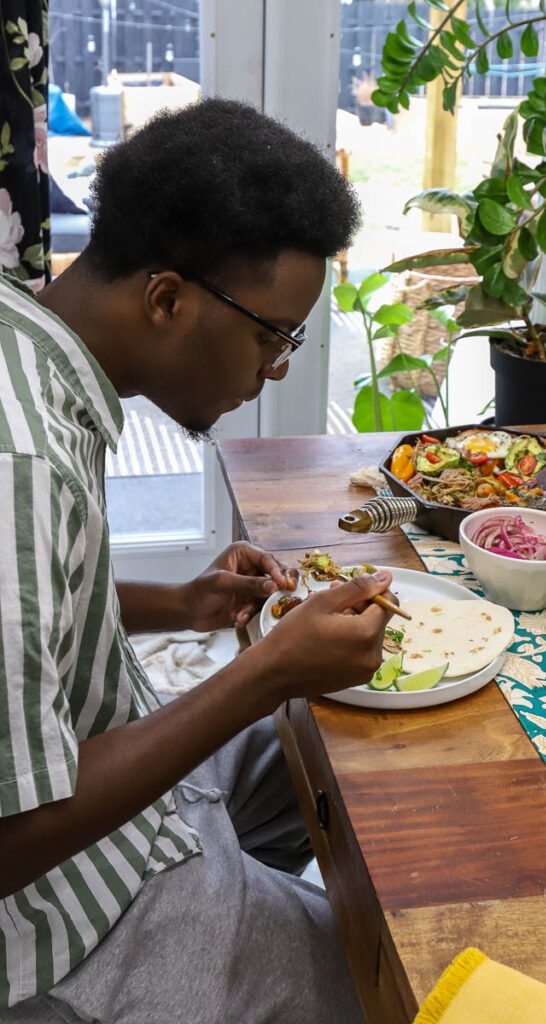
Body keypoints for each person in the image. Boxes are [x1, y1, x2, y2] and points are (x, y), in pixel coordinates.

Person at [0, 98, 395, 1023]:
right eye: (272, 335)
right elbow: (11, 837)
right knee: (391, 981)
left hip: (120, 793)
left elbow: (35, 606)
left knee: (338, 741)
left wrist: (180, 602)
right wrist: (260, 675)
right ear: (167, 298)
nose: (278, 368)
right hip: (66, 913)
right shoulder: (19, 466)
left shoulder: (29, 343)